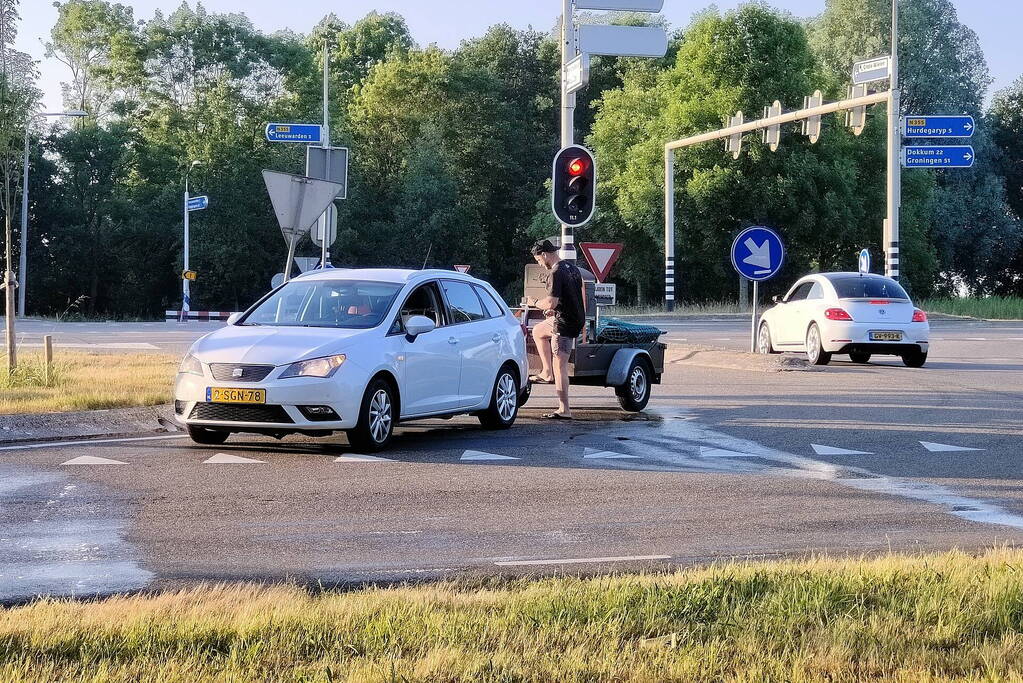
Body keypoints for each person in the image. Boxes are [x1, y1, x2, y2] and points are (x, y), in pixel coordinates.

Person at [527, 239, 585, 420]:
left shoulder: (555, 272)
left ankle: (564, 409)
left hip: (564, 323)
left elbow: (551, 301)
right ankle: (546, 372)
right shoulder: (572, 268)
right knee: (538, 331)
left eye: (538, 260)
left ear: (544, 254)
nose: (539, 264)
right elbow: (579, 294)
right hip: (576, 318)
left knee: (560, 366)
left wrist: (534, 303)